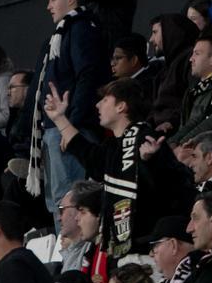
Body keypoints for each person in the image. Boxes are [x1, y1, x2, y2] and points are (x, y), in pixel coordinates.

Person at [45, 78, 193, 258]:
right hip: (125, 251)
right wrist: (59, 118)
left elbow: (175, 187)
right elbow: (89, 155)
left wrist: (152, 161)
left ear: (121, 106)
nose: (98, 105)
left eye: (105, 100)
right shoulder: (114, 147)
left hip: (149, 251)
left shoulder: (147, 139)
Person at [28, 0, 110, 219]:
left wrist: (70, 126)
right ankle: (66, 252)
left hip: (70, 129)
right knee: (58, 200)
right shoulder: (64, 32)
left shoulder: (80, 28)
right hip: (57, 127)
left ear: (71, 0)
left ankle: (74, 254)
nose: (48, 6)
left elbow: (88, 75)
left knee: (70, 198)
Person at [148, 13, 200, 132]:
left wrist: (172, 122)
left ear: (171, 32)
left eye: (155, 32)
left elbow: (193, 99)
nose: (151, 39)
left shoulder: (189, 59)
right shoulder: (165, 70)